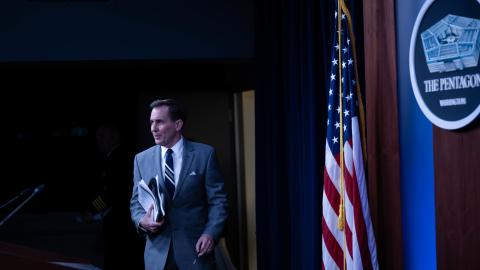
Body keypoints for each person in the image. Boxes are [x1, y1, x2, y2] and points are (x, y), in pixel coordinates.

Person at [130, 99, 228, 270]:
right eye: (151, 122)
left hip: (196, 252)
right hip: (157, 256)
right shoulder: (141, 159)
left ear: (178, 124)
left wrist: (210, 233)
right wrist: (141, 221)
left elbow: (218, 202)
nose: (153, 128)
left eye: (159, 122)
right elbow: (136, 202)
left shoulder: (205, 155)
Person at [87, 123, 144, 269]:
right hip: (123, 217)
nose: (98, 141)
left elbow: (112, 192)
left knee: (118, 258)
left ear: (113, 138)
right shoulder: (117, 157)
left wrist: (93, 209)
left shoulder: (117, 159)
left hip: (120, 219)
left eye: (102, 137)